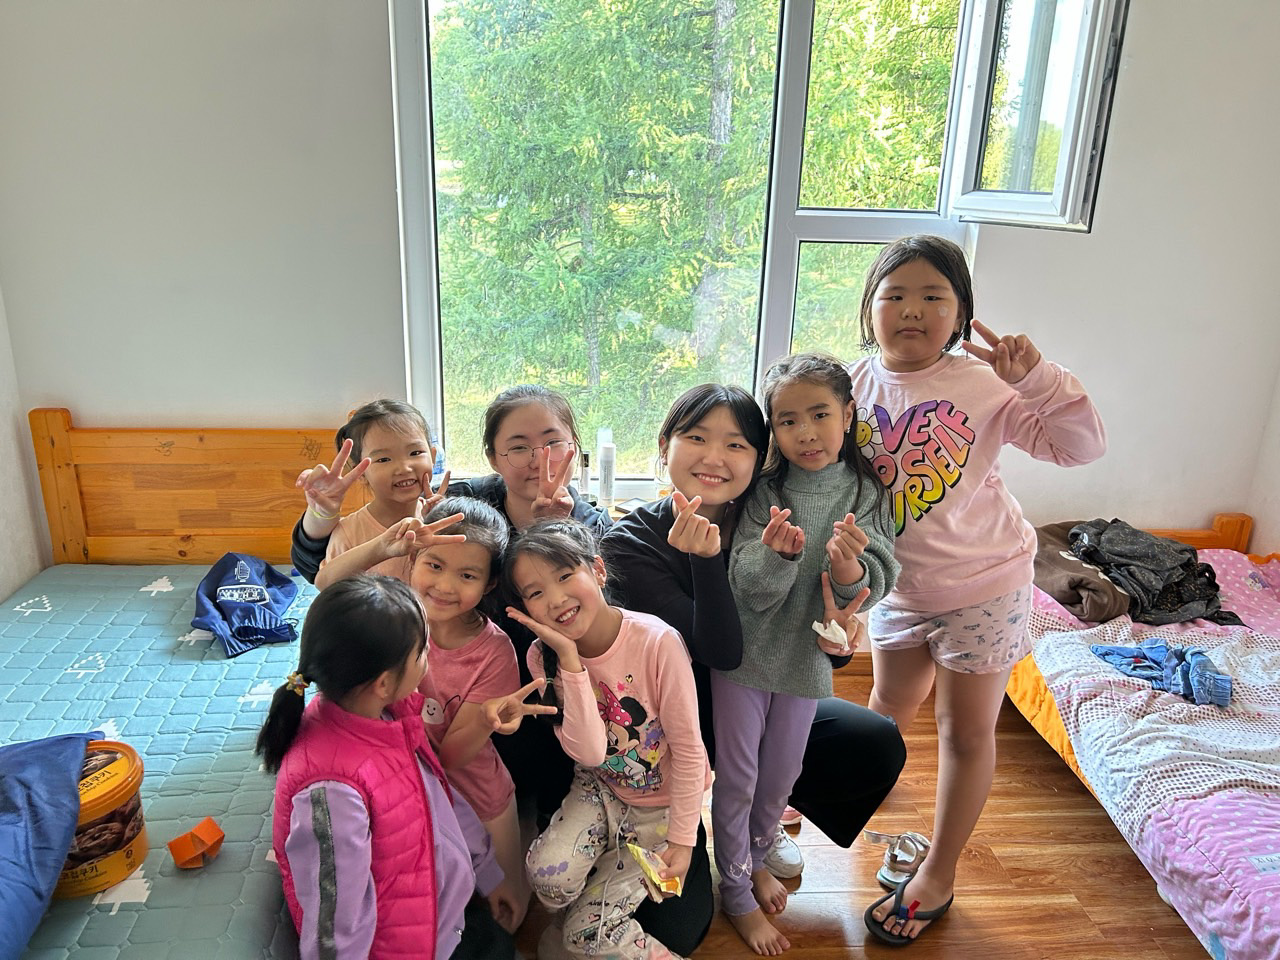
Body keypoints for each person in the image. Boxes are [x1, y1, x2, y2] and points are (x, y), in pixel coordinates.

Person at [849, 234, 1106, 946]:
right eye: (895, 294)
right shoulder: (851, 386)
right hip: (897, 587)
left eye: (934, 296)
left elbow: (1080, 447)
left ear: (961, 313)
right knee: (887, 706)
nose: (912, 309)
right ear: (869, 308)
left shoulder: (988, 383)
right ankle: (854, 790)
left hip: (984, 587)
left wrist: (1039, 380)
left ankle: (938, 873)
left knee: (964, 733)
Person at [600, 383, 908, 954]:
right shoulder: (631, 542)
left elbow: (820, 605)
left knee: (871, 743)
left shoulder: (768, 508)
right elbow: (718, 651)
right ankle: (733, 865)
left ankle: (753, 851)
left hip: (774, 684)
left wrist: (841, 632)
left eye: (736, 444)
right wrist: (706, 559)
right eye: (697, 438)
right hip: (673, 731)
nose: (715, 457)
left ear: (759, 456)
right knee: (680, 926)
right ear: (665, 445)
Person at [289, 386, 611, 829]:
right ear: (493, 457)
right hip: (449, 692)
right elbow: (321, 571)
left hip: (543, 697)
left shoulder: (591, 525)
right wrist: (321, 514)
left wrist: (556, 530)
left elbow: (598, 626)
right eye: (519, 447)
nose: (540, 460)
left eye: (553, 442)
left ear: (575, 447)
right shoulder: (460, 505)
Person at [705, 357, 898, 955]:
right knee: (737, 777)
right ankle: (735, 890)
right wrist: (778, 557)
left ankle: (754, 857)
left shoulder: (866, 491)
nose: (806, 433)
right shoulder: (764, 490)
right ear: (773, 430)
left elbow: (877, 578)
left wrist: (850, 569)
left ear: (848, 414)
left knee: (781, 778)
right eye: (788, 421)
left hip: (806, 661)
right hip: (743, 659)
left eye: (819, 415)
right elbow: (746, 586)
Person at [256, 574, 521, 960]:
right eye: (422, 652)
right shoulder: (332, 790)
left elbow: (439, 801)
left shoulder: (390, 715)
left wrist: (487, 873)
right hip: (401, 947)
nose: (429, 658)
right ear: (383, 682)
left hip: (440, 913)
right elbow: (335, 928)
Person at [502, 519, 709, 960]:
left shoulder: (657, 642)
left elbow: (691, 751)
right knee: (548, 882)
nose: (555, 599)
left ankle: (580, 934)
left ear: (598, 570)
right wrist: (570, 661)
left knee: (581, 938)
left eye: (565, 575)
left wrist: (682, 840)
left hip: (661, 804)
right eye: (535, 592)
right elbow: (591, 753)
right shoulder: (543, 656)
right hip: (599, 787)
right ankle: (576, 925)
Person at [411, 495, 544, 930]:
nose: (445, 586)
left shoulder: (493, 651)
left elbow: (449, 759)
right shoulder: (395, 621)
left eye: (466, 575)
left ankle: (526, 826)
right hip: (411, 792)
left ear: (488, 584)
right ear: (412, 558)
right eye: (434, 565)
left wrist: (486, 720)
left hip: (477, 794)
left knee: (508, 917)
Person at [310, 399, 459, 590]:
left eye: (415, 453)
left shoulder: (441, 519)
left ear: (433, 456)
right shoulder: (348, 533)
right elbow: (326, 586)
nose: (404, 468)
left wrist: (442, 519)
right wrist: (381, 548)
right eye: (384, 459)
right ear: (359, 471)